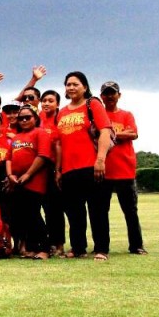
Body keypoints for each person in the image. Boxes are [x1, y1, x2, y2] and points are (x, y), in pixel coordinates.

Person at [55, 72, 114, 261]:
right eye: (68, 84)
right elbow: (59, 143)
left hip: (91, 165)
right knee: (74, 212)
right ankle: (78, 247)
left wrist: (100, 160)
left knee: (97, 210)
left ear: (85, 87)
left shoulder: (93, 104)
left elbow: (105, 131)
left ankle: (101, 249)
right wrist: (58, 169)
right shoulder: (62, 112)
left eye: (75, 84)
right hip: (69, 169)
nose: (71, 88)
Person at [98, 81, 147, 255]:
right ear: (101, 96)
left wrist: (108, 134)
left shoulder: (126, 115)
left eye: (113, 93)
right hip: (103, 170)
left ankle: (137, 245)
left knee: (130, 211)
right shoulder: (99, 114)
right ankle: (102, 247)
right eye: (106, 93)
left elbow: (133, 133)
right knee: (101, 212)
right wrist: (119, 135)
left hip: (124, 170)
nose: (109, 96)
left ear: (119, 95)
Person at [4, 105, 53, 258]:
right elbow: (9, 158)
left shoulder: (40, 133)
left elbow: (43, 156)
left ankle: (44, 249)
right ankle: (32, 248)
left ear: (36, 118)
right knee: (23, 216)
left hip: (34, 181)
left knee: (33, 214)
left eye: (27, 117)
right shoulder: (17, 137)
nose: (24, 120)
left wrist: (28, 174)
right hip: (17, 182)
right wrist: (10, 175)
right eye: (21, 118)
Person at [38, 89, 66, 256]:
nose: (46, 103)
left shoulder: (59, 119)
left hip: (53, 168)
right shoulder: (38, 118)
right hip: (38, 169)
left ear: (57, 104)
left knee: (55, 210)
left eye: (50, 101)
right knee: (42, 208)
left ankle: (60, 244)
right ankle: (48, 243)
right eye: (44, 101)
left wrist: (58, 170)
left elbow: (58, 145)